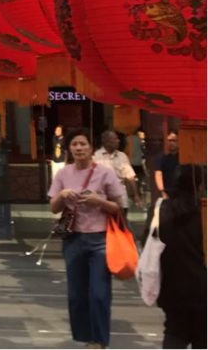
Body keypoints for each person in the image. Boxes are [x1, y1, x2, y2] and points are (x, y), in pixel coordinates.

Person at [49, 129, 126, 350]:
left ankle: (98, 341)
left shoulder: (105, 173)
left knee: (99, 294)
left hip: (101, 240)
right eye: (75, 144)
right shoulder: (63, 174)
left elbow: (118, 207)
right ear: (69, 148)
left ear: (91, 148)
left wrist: (98, 201)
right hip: (73, 240)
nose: (79, 148)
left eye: (83, 144)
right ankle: (85, 336)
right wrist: (62, 196)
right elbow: (53, 208)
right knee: (76, 295)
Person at [156, 164, 206, 349]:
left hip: (171, 286)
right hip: (203, 288)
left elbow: (150, 242)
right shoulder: (204, 213)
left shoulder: (163, 210)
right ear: (200, 186)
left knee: (174, 333)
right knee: (203, 337)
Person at [94, 129, 141, 216]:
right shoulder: (96, 156)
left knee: (121, 226)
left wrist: (136, 195)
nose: (118, 141)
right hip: (103, 199)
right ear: (107, 142)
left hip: (121, 199)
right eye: (115, 139)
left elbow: (130, 176)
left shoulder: (122, 156)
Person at [154, 131, 180, 200]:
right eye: (169, 140)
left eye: (174, 140)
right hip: (167, 192)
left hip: (181, 193)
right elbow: (158, 174)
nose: (171, 143)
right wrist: (162, 191)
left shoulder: (182, 157)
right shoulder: (161, 157)